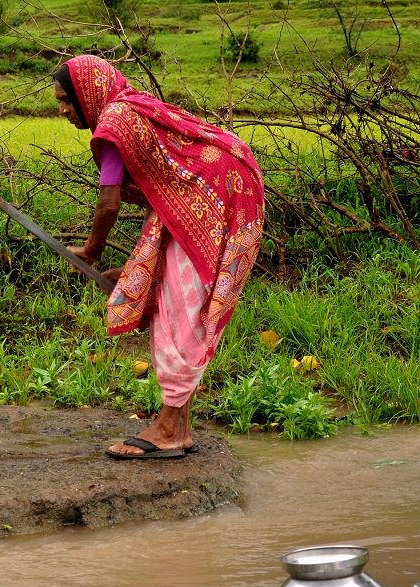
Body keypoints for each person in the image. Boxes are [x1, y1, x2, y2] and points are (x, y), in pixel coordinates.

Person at [52, 55, 264, 459]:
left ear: (87, 93)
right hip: (226, 191)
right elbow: (164, 205)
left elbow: (108, 203)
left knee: (181, 313)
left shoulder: (114, 123)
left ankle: (167, 429)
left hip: (218, 196)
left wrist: (92, 250)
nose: (62, 109)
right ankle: (178, 429)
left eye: (66, 99)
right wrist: (137, 270)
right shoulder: (130, 107)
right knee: (180, 301)